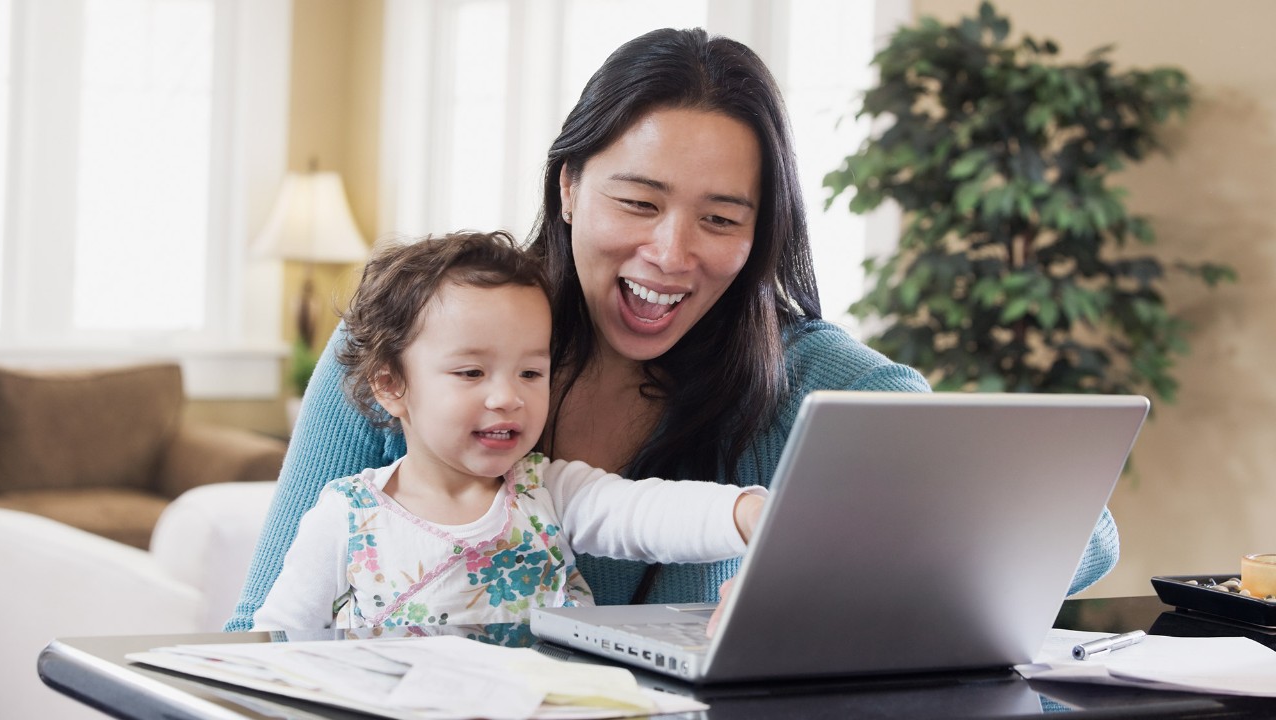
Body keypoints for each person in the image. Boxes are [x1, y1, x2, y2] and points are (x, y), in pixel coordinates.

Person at [228, 27, 1117, 631]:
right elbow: (253, 637)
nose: (672, 252)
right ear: (570, 187)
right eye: (638, 201)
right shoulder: (409, 345)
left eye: (723, 220)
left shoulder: (803, 377)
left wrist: (833, 551)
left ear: (763, 233)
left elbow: (1084, 536)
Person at [253, 231, 765, 631]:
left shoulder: (547, 492)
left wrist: (747, 512)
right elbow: (275, 644)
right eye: (471, 373)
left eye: (531, 373)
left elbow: (645, 514)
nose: (507, 397)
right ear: (390, 384)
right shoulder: (347, 517)